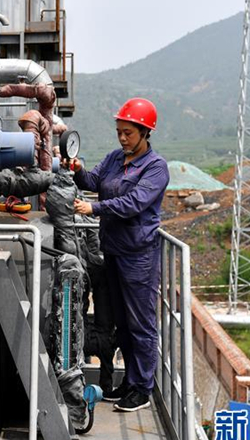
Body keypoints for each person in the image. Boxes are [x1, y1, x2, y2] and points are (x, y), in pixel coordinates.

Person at [64, 98, 170, 412]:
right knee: (121, 323)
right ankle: (128, 383)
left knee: (141, 323)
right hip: (113, 251)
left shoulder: (155, 167)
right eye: (119, 132)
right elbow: (94, 181)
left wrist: (93, 208)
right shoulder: (114, 158)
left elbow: (134, 203)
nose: (122, 138)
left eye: (128, 133)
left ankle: (142, 388)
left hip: (139, 255)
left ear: (145, 133)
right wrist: (78, 170)